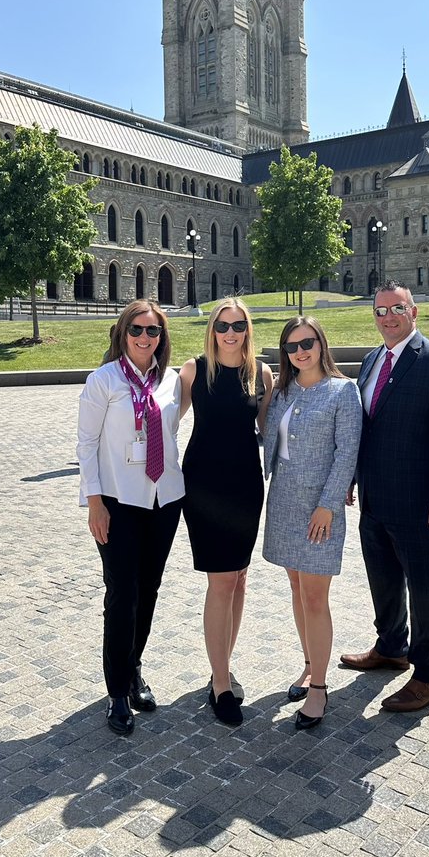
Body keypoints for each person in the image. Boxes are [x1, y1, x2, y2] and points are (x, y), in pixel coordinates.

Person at [341, 280, 429, 712]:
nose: (388, 317)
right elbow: (367, 428)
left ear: (414, 312)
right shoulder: (371, 360)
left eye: (396, 309)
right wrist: (352, 478)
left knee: (425, 587)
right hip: (377, 500)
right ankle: (392, 646)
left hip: (422, 505)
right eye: (380, 310)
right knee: (383, 580)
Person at [77, 299, 185, 735]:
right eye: (137, 330)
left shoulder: (172, 382)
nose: (145, 338)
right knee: (121, 594)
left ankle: (134, 666)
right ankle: (117, 691)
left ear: (162, 338)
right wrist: (95, 502)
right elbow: (86, 445)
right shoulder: (103, 381)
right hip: (119, 501)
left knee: (150, 588)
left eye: (153, 331)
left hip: (164, 498)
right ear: (123, 334)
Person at [263, 316, 363, 730]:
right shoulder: (283, 391)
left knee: (316, 597)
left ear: (321, 343)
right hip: (283, 501)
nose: (300, 351)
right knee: (296, 588)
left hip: (319, 508)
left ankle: (319, 687)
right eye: (291, 346)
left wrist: (329, 504)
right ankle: (308, 665)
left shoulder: (343, 391)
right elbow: (269, 440)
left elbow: (346, 452)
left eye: (307, 343)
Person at [179, 299, 273, 726]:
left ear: (247, 329)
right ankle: (219, 682)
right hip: (204, 488)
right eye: (222, 325)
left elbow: (272, 434)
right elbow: (161, 420)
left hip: (245, 487)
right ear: (212, 329)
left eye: (238, 325)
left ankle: (224, 664)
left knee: (239, 578)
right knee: (221, 583)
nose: (230, 333)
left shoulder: (262, 374)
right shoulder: (194, 371)